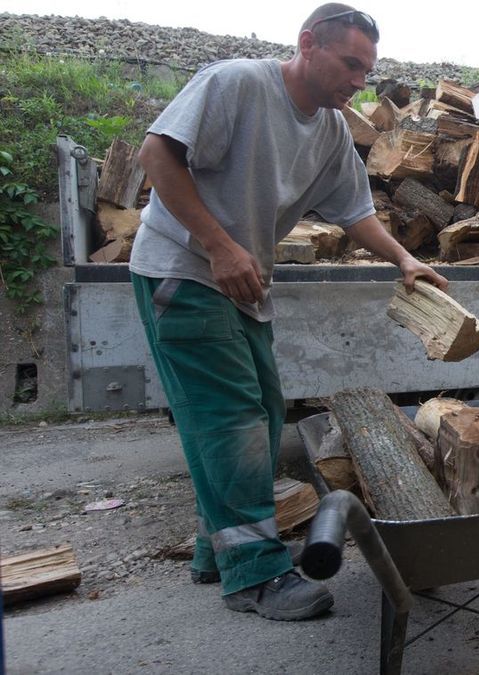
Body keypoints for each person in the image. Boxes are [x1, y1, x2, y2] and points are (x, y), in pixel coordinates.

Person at [129, 4, 448, 620]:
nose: (360, 81)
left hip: (244, 282)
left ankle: (217, 550)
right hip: (183, 270)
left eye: (368, 71)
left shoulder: (330, 128)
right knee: (235, 420)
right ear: (308, 45)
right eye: (351, 64)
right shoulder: (238, 83)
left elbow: (355, 213)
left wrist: (404, 262)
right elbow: (155, 157)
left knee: (258, 413)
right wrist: (219, 247)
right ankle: (256, 575)